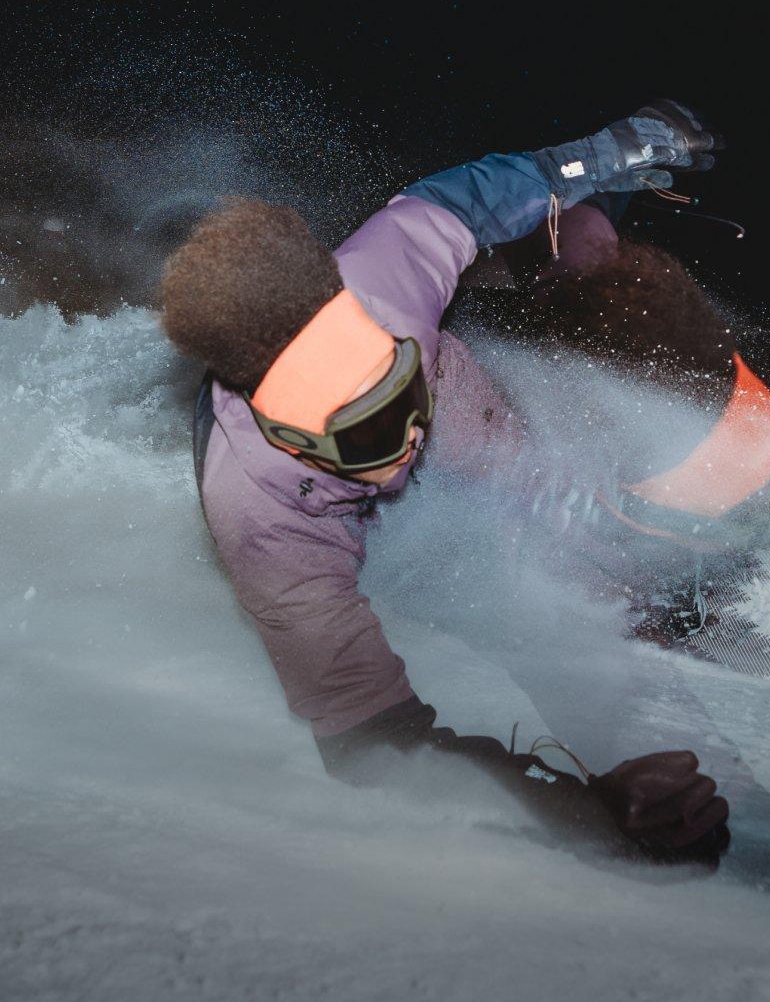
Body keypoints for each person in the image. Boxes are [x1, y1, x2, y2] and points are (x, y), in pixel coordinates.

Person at [161, 100, 732, 865]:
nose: (397, 447)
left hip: (462, 411)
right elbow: (375, 746)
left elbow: (483, 191)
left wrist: (606, 152)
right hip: (368, 532)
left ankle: (628, 569)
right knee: (502, 594)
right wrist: (582, 812)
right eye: (357, 436)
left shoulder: (384, 275)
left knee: (534, 473)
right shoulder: (265, 524)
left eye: (390, 393)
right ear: (284, 431)